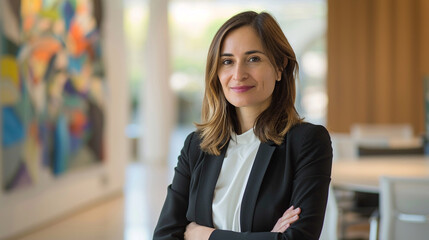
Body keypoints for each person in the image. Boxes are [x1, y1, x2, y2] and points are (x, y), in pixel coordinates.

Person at [153, 11, 332, 240]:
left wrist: (203, 235)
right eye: (227, 61)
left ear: (279, 67)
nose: (238, 74)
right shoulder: (197, 145)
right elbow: (164, 235)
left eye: (253, 59)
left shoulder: (307, 142)